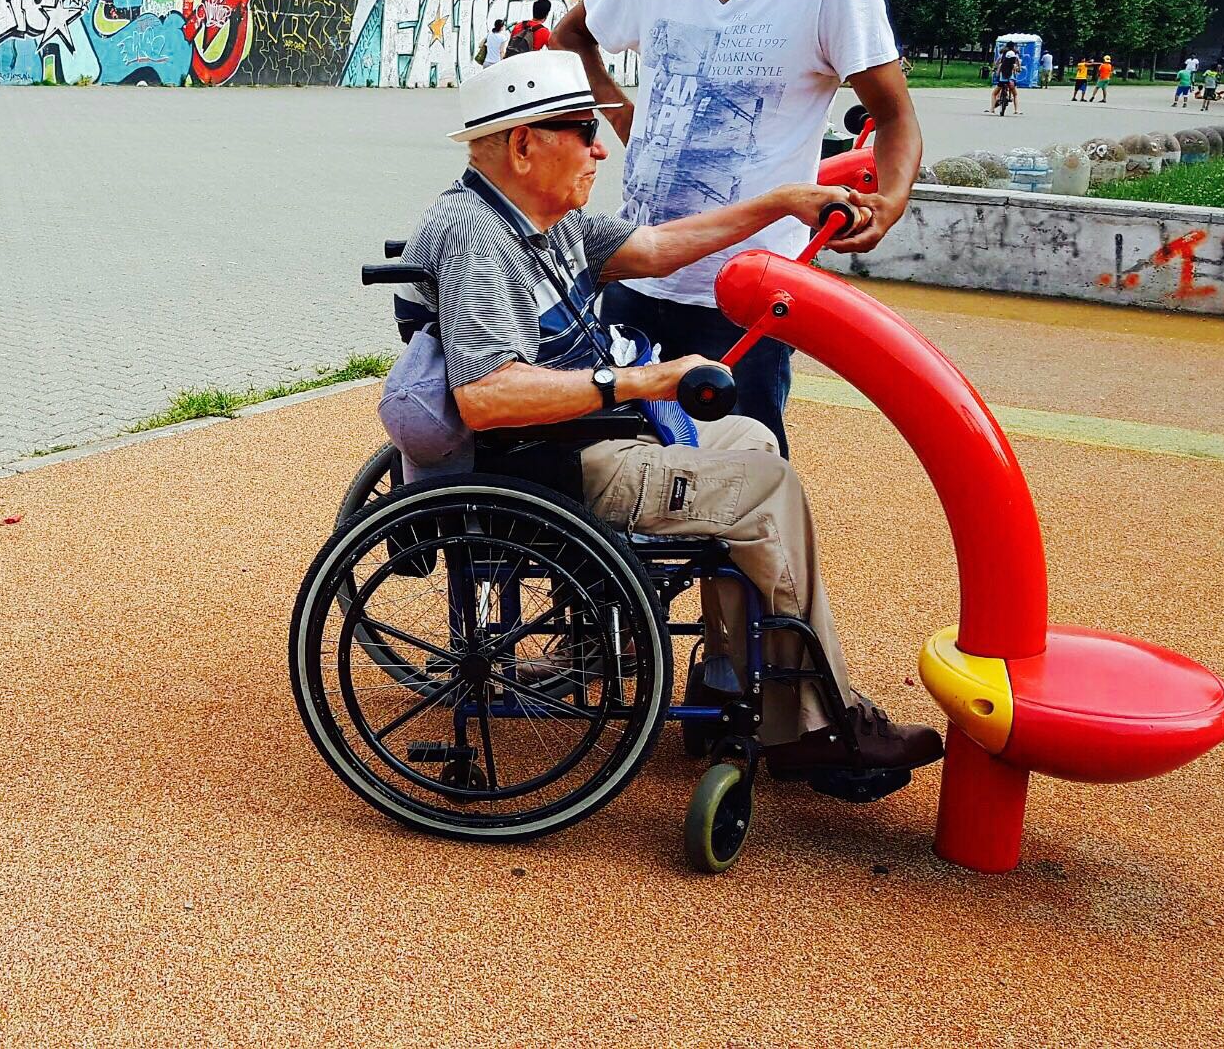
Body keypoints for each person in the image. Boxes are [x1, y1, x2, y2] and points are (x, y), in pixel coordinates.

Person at [395, 50, 943, 775]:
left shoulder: (543, 219)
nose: (600, 146)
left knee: (751, 437)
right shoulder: (480, 236)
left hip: (581, 438)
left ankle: (733, 679)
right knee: (764, 484)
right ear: (524, 146)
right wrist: (644, 380)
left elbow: (654, 248)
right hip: (551, 465)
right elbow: (486, 396)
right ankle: (813, 721)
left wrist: (780, 201)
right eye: (584, 129)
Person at [551, 0, 921, 458]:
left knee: (738, 491)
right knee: (614, 471)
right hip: (634, 274)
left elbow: (895, 116)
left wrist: (887, 204)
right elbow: (572, 33)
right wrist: (634, 127)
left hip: (741, 292)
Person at [988, 43, 1020, 113]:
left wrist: (996, 71)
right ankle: (1016, 110)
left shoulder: (1002, 59)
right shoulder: (1014, 61)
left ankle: (992, 108)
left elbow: (997, 69)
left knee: (994, 93)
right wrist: (1018, 69)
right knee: (1015, 94)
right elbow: (1017, 68)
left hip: (1002, 81)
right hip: (1011, 81)